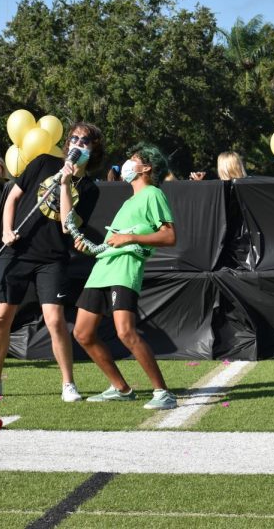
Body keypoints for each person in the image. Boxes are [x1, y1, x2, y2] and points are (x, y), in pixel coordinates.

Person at [0, 122, 103, 402]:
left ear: (94, 149)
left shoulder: (88, 189)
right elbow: (12, 196)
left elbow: (68, 226)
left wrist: (65, 184)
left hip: (52, 258)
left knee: (54, 319)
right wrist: (6, 229)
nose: (77, 144)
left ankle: (68, 384)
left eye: (85, 141)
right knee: (2, 317)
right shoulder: (43, 163)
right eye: (74, 139)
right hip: (17, 252)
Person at [71, 143, 178, 410]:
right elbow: (109, 244)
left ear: (147, 168)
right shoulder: (129, 201)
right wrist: (87, 246)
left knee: (126, 332)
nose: (127, 164)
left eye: (133, 159)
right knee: (82, 333)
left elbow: (169, 235)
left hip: (125, 270)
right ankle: (121, 388)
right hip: (102, 271)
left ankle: (163, 393)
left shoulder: (153, 194)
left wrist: (130, 237)